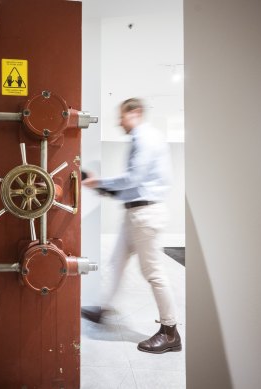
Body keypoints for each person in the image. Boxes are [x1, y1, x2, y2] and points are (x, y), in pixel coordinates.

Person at [81, 97, 181, 354]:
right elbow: (135, 185)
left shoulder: (144, 137)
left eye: (121, 116)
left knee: (154, 273)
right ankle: (104, 310)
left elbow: (133, 178)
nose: (119, 121)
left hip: (146, 214)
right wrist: (103, 187)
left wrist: (100, 182)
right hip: (136, 213)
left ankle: (170, 332)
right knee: (116, 263)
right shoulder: (143, 138)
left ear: (134, 112)